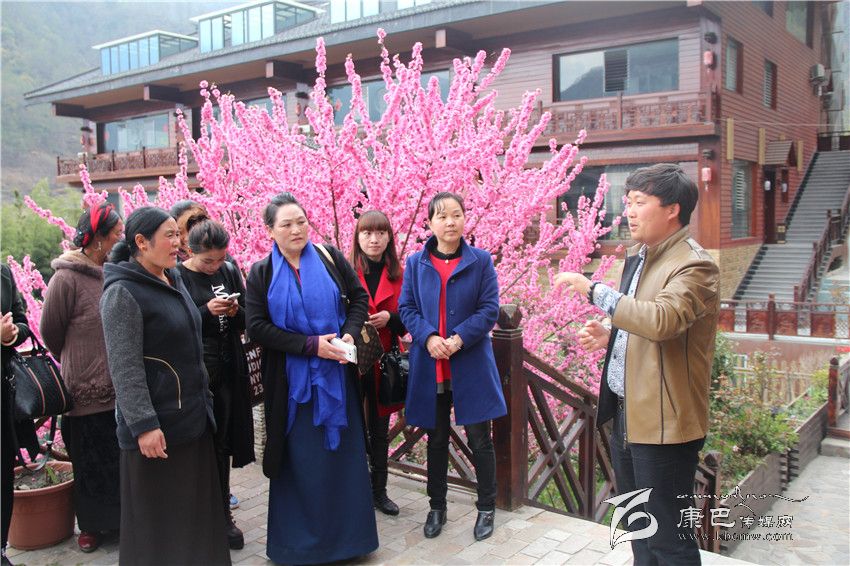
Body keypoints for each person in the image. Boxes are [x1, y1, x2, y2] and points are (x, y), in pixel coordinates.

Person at [553, 163, 719, 565]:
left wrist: (594, 290)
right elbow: (644, 320)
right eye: (627, 202)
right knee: (638, 529)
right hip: (631, 414)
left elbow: (662, 320)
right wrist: (612, 334)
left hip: (664, 423)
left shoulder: (694, 265)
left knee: (668, 540)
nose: (627, 211)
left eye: (639, 202)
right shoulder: (644, 257)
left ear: (672, 209)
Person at [245, 192, 378, 565]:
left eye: (301, 221)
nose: (296, 230)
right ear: (270, 230)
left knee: (342, 459)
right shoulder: (261, 273)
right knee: (301, 464)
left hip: (337, 379)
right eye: (286, 224)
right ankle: (299, 547)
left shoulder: (329, 257)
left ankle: (349, 542)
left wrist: (348, 333)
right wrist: (310, 346)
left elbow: (358, 299)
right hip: (292, 387)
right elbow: (256, 327)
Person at [100, 207, 230, 565]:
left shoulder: (172, 280)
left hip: (191, 420)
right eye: (170, 235)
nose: (178, 243)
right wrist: (144, 425)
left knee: (194, 519)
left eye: (178, 234)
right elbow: (124, 367)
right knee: (160, 528)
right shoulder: (122, 293)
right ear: (142, 242)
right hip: (157, 431)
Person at [398, 192, 506, 541]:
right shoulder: (416, 263)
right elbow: (406, 308)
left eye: (456, 214)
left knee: (480, 438)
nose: (450, 222)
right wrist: (429, 337)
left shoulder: (480, 261)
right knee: (436, 439)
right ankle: (437, 506)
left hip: (469, 361)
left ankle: (486, 507)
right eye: (442, 216)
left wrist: (458, 339)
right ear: (429, 222)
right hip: (431, 364)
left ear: (464, 219)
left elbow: (489, 309)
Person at [40, 202, 124, 553]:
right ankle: (91, 525)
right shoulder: (66, 278)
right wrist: (81, 358)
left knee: (118, 458)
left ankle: (120, 521)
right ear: (99, 238)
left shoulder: (115, 271)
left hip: (119, 384)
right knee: (89, 461)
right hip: (84, 387)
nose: (120, 237)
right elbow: (50, 331)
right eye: (116, 233)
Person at [177, 219, 254, 550]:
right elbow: (175, 324)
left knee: (223, 444)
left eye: (221, 259)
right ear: (190, 251)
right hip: (197, 372)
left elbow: (249, 319)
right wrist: (206, 311)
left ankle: (223, 514)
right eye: (208, 260)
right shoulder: (178, 276)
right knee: (200, 446)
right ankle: (198, 516)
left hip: (228, 367)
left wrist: (235, 311)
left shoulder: (229, 271)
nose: (215, 266)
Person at [349, 210, 406, 516]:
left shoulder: (399, 274)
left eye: (381, 233)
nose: (374, 239)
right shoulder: (346, 272)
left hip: (383, 363)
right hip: (352, 361)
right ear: (357, 238)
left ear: (389, 238)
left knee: (380, 430)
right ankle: (355, 489)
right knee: (352, 425)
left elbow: (410, 316)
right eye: (367, 233)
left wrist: (390, 318)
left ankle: (379, 491)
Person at [1, 264, 35, 566]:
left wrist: (12, 334)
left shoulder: (2, 273)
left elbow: (22, 321)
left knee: (3, 472)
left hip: (3, 395)